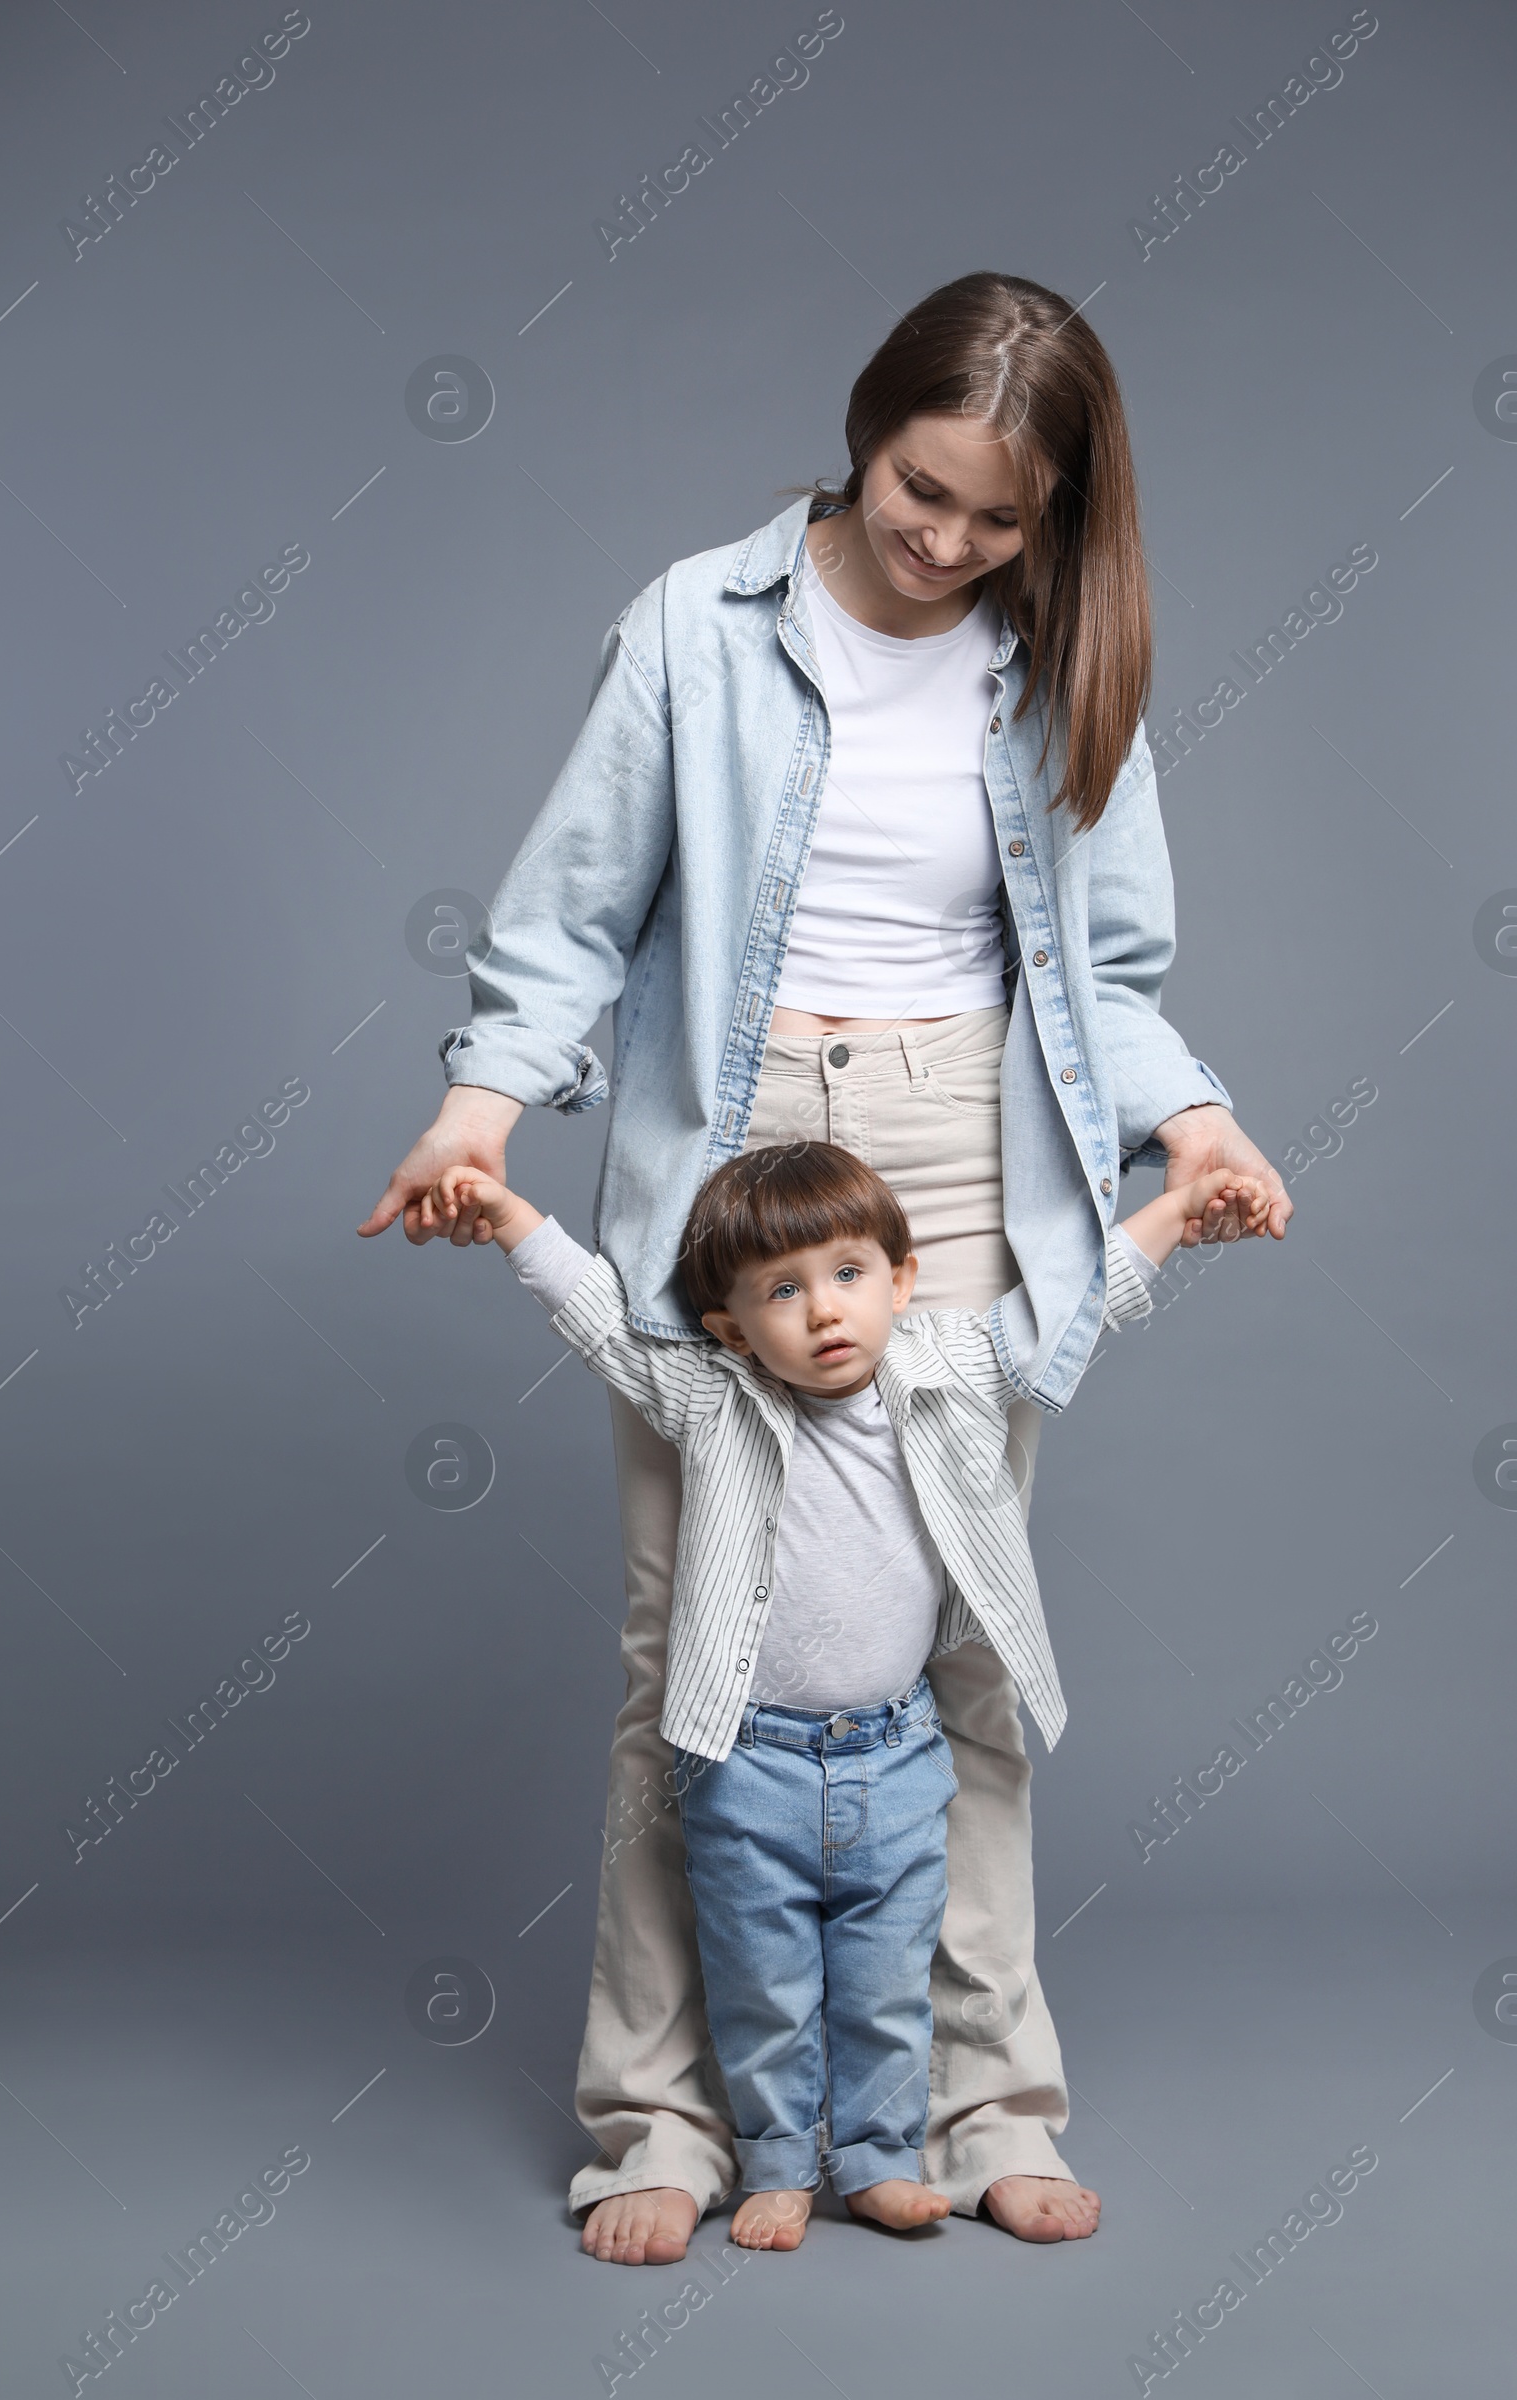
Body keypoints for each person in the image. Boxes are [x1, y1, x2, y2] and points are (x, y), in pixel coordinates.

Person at [359, 269, 1292, 2262]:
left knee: (947, 1655)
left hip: (965, 1159)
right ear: (858, 431)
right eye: (913, 491)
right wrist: (481, 1107)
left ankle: (970, 2101)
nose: (943, 544)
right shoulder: (695, 628)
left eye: (993, 519)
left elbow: (1105, 977)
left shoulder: (1058, 662)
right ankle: (663, 2123)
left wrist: (1190, 1124)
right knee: (685, 1664)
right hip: (739, 1164)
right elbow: (569, 917)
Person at [436, 1140, 1270, 2249]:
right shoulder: (709, 1396)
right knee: (761, 1984)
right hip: (747, 1766)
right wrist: (504, 1218)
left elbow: (1077, 1307)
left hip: (896, 1758)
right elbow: (599, 1316)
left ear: (901, 1278)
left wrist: (1175, 1210)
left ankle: (877, 2162)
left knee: (885, 1987)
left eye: (847, 1274)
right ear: (732, 1328)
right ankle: (776, 2164)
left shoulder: (952, 1365)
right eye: (781, 1292)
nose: (824, 1312)